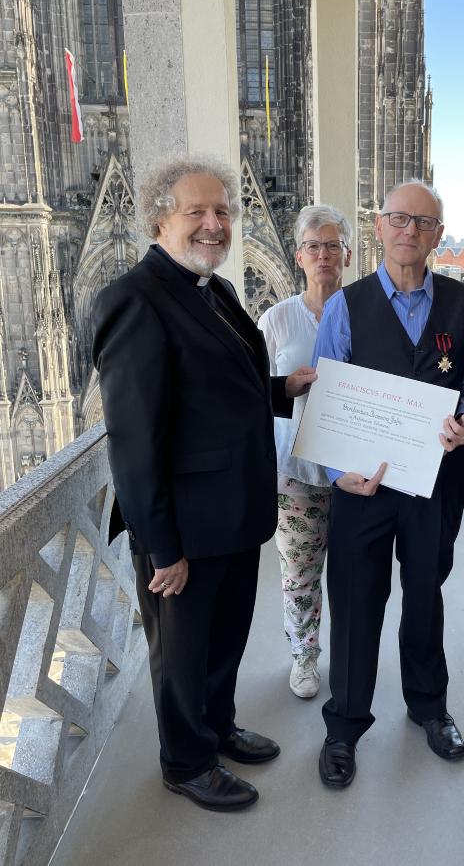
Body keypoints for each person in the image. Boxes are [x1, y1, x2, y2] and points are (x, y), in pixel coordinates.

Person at [92, 156, 315, 811]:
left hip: (235, 514)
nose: (215, 224)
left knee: (224, 640)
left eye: (222, 211)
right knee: (182, 655)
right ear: (161, 216)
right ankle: (186, 760)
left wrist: (284, 390)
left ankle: (217, 726)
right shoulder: (134, 299)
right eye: (198, 212)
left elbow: (218, 392)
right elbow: (134, 441)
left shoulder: (211, 289)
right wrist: (162, 548)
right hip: (183, 530)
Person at [313, 181, 464, 788]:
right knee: (356, 604)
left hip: (432, 485)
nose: (408, 230)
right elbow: (325, 398)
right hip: (362, 488)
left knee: (425, 596)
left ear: (438, 235)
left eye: (422, 221)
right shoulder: (345, 306)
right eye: (398, 218)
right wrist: (340, 473)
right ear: (379, 226)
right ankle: (343, 727)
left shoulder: (462, 306)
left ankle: (429, 708)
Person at [258, 205, 352, 699]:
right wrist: (287, 386)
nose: (323, 255)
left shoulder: (365, 314)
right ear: (298, 256)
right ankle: (304, 658)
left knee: (356, 575)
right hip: (294, 473)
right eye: (314, 246)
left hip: (356, 474)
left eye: (332, 245)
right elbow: (253, 389)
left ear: (348, 255)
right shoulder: (276, 320)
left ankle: (354, 658)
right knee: (299, 574)